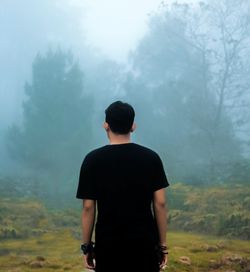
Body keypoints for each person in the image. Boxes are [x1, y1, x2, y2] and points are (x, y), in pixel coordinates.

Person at [76, 101, 169, 272]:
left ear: (106, 125)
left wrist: (87, 247)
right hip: (144, 245)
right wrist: (162, 246)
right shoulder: (151, 158)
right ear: (133, 126)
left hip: (108, 246)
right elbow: (160, 203)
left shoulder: (92, 160)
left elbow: (88, 207)